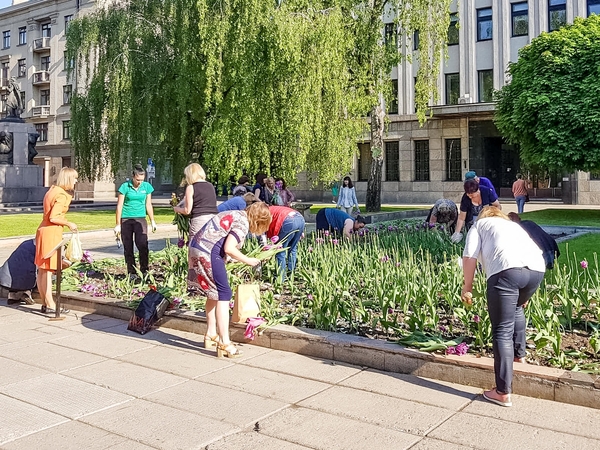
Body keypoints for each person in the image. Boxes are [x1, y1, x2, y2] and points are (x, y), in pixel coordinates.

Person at [461, 206, 545, 407]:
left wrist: (468, 286)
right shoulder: (512, 226)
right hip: (536, 270)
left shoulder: (479, 225)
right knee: (517, 308)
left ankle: (502, 392)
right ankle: (519, 357)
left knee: (501, 330)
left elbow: (469, 257)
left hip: (506, 271)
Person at [189, 202, 272, 358]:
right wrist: (248, 260)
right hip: (209, 254)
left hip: (196, 249)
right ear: (259, 220)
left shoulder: (235, 214)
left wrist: (229, 258)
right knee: (223, 294)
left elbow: (219, 239)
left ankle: (211, 334)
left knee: (213, 293)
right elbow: (229, 248)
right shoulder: (243, 223)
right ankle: (225, 342)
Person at [35, 167, 78, 314]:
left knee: (42, 269)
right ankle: (51, 305)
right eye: (75, 178)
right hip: (51, 233)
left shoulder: (52, 190)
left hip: (43, 230)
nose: (76, 181)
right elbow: (54, 217)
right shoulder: (61, 195)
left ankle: (45, 303)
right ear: (68, 179)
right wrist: (69, 223)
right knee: (48, 270)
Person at [115, 164, 156, 276]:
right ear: (133, 177)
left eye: (142, 180)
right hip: (126, 218)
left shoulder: (146, 187)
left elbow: (148, 204)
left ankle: (144, 270)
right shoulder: (125, 187)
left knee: (142, 244)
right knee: (128, 246)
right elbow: (119, 206)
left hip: (140, 218)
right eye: (138, 180)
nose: (140, 182)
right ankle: (131, 272)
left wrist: (152, 220)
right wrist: (118, 224)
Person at [173, 163, 218, 241]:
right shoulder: (210, 186)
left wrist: (176, 209)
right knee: (209, 245)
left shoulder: (191, 187)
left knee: (196, 247)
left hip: (199, 220)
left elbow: (187, 210)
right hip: (213, 219)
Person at [452, 179, 501, 243]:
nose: (470, 197)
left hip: (487, 221)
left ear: (478, 191)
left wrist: (492, 217)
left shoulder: (487, 192)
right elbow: (461, 218)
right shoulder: (465, 198)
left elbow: (498, 206)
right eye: (468, 194)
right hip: (472, 224)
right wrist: (457, 233)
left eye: (472, 195)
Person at [266, 205, 305, 281]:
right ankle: (291, 275)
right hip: (300, 218)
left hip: (287, 221)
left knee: (280, 250)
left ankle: (280, 278)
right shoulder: (271, 209)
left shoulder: (263, 213)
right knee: (293, 248)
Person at [0, 239, 37, 305]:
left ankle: (13, 296)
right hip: (22, 279)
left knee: (18, 269)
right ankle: (26, 293)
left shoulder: (26, 243)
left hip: (4, 277)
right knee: (43, 275)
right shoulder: (41, 247)